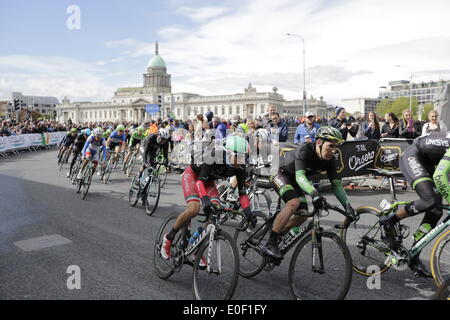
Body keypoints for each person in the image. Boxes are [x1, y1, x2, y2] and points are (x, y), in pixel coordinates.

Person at [261, 127, 356, 260]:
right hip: (280, 173)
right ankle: (270, 243)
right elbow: (300, 177)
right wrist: (314, 194)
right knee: (294, 203)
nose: (334, 150)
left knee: (302, 215)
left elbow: (336, 185)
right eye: (330, 146)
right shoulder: (306, 150)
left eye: (336, 147)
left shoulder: (330, 160)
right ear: (318, 142)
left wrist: (348, 206)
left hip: (294, 180)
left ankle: (279, 232)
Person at [160, 135, 256, 264]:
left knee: (215, 212)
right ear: (228, 152)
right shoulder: (214, 156)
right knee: (194, 209)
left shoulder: (240, 168)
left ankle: (195, 246)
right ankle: (169, 237)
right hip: (193, 177)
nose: (241, 161)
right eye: (238, 157)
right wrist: (205, 200)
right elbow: (199, 182)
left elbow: (242, 193)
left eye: (244, 157)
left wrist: (248, 212)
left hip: (209, 182)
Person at [380, 131, 450, 277]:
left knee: (436, 211)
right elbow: (439, 176)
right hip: (413, 155)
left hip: (428, 161)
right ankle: (390, 220)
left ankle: (414, 254)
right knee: (429, 200)